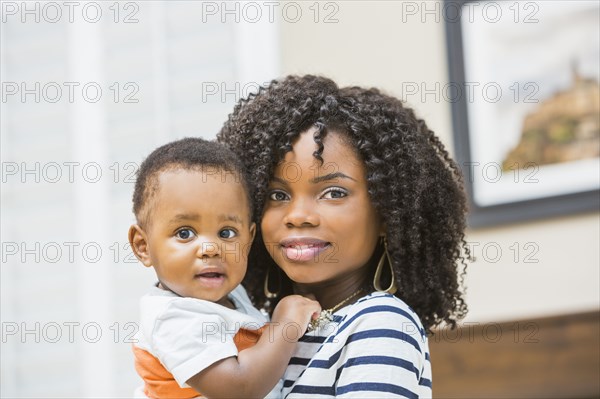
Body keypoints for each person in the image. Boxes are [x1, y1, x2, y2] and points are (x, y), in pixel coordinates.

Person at [216, 75, 470, 398]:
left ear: (385, 212)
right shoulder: (270, 333)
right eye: (277, 195)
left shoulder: (381, 323)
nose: (298, 216)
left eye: (333, 192)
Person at [128, 137, 321, 399]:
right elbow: (239, 389)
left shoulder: (230, 295)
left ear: (249, 240)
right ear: (143, 246)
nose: (210, 248)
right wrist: (285, 325)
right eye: (184, 233)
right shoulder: (173, 318)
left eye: (227, 232)